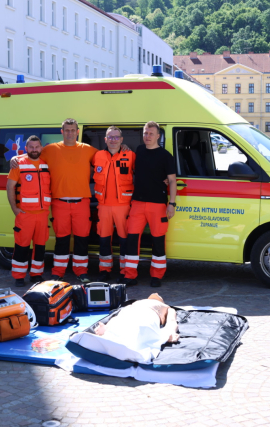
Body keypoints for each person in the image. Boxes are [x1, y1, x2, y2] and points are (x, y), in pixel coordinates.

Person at [10, 118, 99, 283]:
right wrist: (15, 158)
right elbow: (33, 153)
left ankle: (81, 272)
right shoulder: (51, 149)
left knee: (81, 239)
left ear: (78, 131)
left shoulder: (88, 149)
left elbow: (107, 158)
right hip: (59, 203)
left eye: (73, 130)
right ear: (62, 132)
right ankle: (58, 272)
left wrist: (124, 148)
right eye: (67, 130)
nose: (70, 133)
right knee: (62, 239)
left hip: (82, 203)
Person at [122, 121, 177, 288]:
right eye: (145, 133)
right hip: (137, 203)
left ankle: (157, 276)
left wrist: (172, 203)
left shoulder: (166, 156)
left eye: (151, 134)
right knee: (132, 239)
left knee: (158, 240)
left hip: (158, 205)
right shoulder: (138, 150)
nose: (147, 136)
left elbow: (173, 181)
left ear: (158, 136)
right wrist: (123, 147)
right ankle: (130, 275)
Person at [92, 126, 135, 282]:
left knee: (124, 239)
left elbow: (145, 172)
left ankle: (124, 270)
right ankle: (105, 270)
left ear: (122, 140)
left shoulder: (130, 155)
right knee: (104, 239)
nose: (113, 140)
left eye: (116, 137)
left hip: (123, 206)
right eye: (110, 137)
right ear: (105, 139)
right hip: (103, 205)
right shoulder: (97, 155)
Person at [6, 136, 51, 287]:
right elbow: (10, 186)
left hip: (43, 214)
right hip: (25, 215)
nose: (34, 150)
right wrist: (15, 209)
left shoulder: (47, 163)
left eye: (36, 147)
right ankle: (19, 276)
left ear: (41, 147)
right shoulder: (19, 163)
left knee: (40, 246)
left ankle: (36, 275)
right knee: (21, 246)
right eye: (31, 147)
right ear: (26, 148)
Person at [94, 293, 179, 350]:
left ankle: (112, 334)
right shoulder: (139, 303)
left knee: (139, 326)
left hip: (146, 312)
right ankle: (110, 332)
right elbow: (116, 317)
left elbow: (172, 320)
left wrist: (171, 332)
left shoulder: (166, 307)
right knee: (123, 321)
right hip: (134, 311)